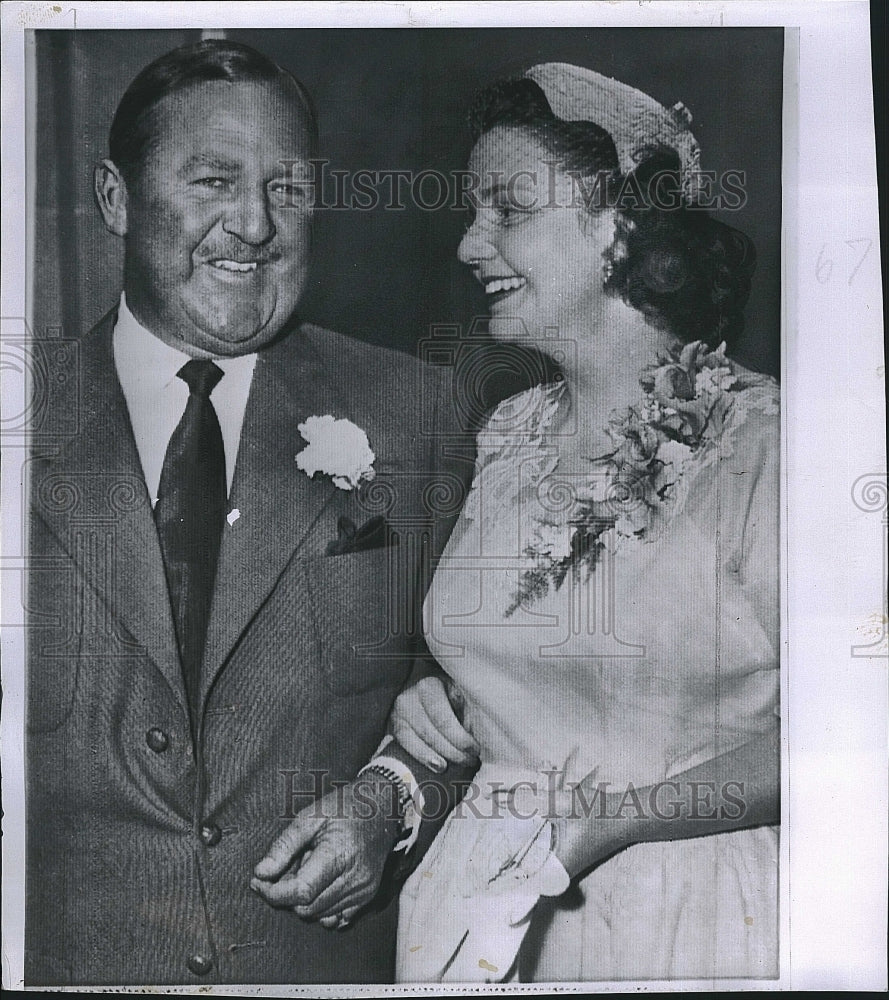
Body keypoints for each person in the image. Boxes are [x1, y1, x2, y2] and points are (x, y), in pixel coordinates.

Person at [25, 39, 468, 985]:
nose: (256, 223)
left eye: (290, 190)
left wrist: (393, 797)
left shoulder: (416, 414)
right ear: (114, 199)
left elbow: (485, 688)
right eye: (214, 181)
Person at [389, 63, 780, 982]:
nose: (467, 245)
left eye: (507, 210)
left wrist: (622, 818)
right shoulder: (508, 434)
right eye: (471, 211)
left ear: (617, 226)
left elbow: (849, 735)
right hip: (472, 905)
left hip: (682, 916)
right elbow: (519, 661)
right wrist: (444, 702)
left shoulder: (768, 445)